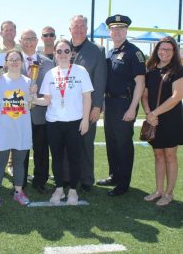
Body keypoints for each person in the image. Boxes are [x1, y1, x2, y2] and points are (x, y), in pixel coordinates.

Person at [32, 39, 93, 205]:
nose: (63, 54)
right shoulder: (50, 74)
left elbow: (87, 97)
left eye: (66, 51)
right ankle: (59, 188)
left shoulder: (81, 71)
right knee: (57, 157)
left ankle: (73, 190)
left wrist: (85, 119)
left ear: (71, 53)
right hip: (54, 123)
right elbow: (47, 100)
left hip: (75, 122)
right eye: (59, 51)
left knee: (74, 157)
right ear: (55, 54)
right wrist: (33, 99)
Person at [100, 14, 146, 196]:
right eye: (113, 29)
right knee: (111, 142)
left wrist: (132, 108)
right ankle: (114, 176)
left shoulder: (134, 53)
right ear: (110, 32)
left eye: (120, 29)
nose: (117, 32)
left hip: (124, 103)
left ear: (126, 30)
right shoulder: (110, 53)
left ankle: (123, 183)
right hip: (110, 103)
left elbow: (140, 83)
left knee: (124, 144)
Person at [141, 36, 183, 206]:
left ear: (174, 52)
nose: (164, 52)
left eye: (168, 49)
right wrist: (148, 113)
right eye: (161, 49)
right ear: (156, 50)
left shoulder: (178, 70)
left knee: (170, 155)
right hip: (154, 118)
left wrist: (154, 114)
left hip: (171, 119)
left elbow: (176, 97)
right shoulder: (150, 69)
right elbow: (144, 95)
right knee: (158, 155)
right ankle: (158, 190)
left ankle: (169, 193)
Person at [0, 50, 32, 207]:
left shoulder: (28, 82)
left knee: (19, 163)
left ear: (22, 62)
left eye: (17, 59)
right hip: (2, 128)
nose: (14, 62)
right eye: (11, 59)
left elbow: (30, 105)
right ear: (6, 62)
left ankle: (18, 192)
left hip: (22, 128)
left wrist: (33, 96)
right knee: (0, 163)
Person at [69, 15, 107, 191]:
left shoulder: (97, 50)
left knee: (85, 143)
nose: (79, 29)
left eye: (82, 26)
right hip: (65, 108)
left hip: (87, 107)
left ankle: (86, 179)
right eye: (75, 26)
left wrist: (97, 106)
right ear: (70, 28)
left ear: (87, 28)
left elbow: (100, 81)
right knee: (66, 143)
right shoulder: (62, 48)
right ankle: (67, 176)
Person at [20, 29, 54, 193]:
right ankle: (20, 182)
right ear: (20, 41)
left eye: (32, 38)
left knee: (41, 150)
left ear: (37, 41)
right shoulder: (13, 60)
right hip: (19, 114)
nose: (29, 42)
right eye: (25, 39)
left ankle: (40, 181)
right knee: (21, 151)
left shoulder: (47, 63)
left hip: (41, 113)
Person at [0, 20, 22, 177]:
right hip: (1, 95)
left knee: (16, 128)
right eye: (6, 30)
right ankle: (0, 163)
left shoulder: (20, 49)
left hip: (17, 95)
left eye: (12, 30)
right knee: (2, 129)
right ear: (1, 32)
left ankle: (12, 164)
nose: (9, 32)